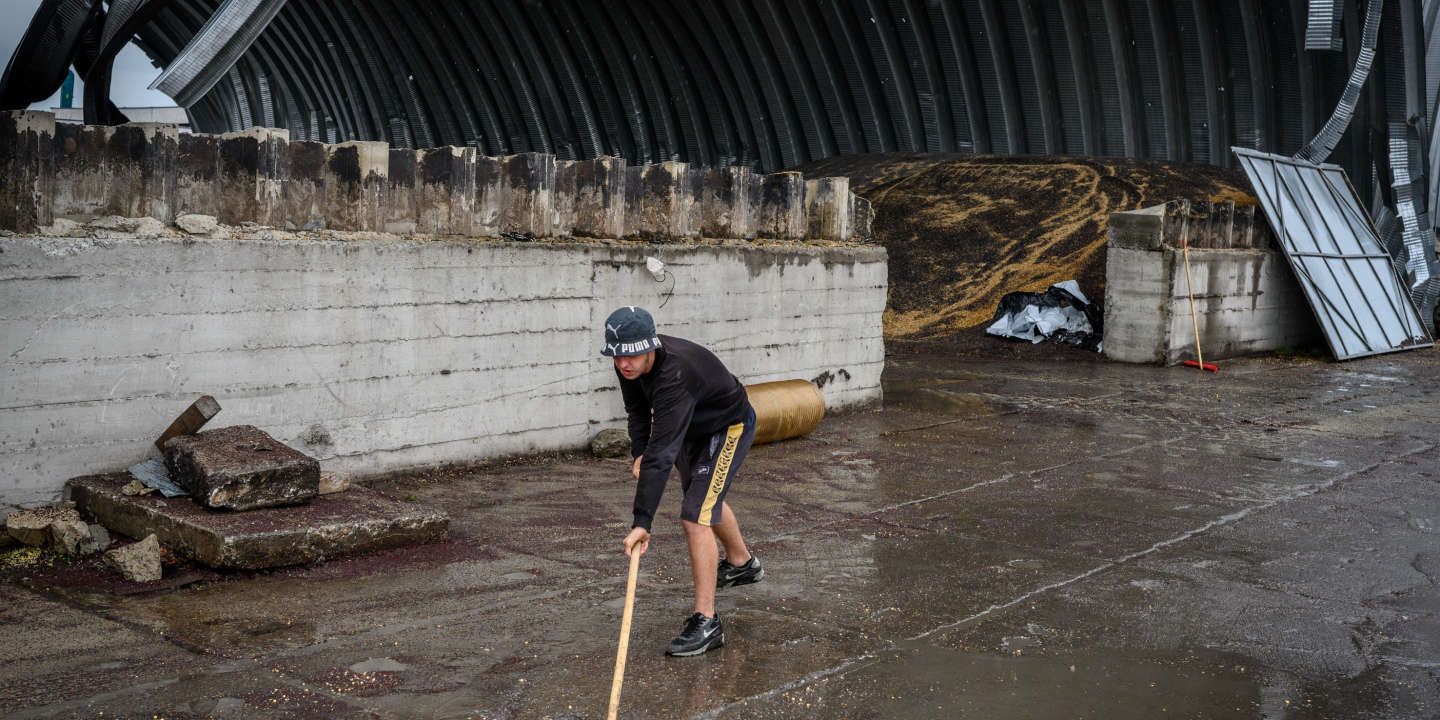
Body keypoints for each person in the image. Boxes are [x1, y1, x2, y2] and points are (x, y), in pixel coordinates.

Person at [602, 305, 765, 656]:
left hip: (727, 425)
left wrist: (642, 522)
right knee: (704, 499)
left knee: (694, 515)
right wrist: (639, 451)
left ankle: (707, 621)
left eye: (630, 356)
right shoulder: (628, 364)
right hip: (693, 426)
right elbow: (637, 412)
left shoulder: (676, 372)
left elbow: (662, 456)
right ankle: (742, 564)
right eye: (616, 357)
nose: (623, 364)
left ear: (651, 346)